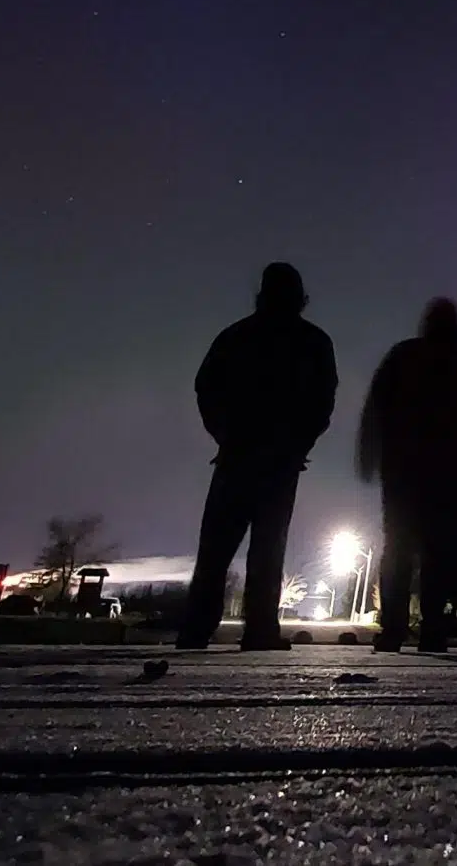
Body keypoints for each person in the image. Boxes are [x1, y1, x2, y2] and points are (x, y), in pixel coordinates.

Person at [179, 262, 338, 650]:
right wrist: (300, 443)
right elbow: (322, 402)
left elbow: (206, 387)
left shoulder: (236, 336)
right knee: (268, 548)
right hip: (279, 460)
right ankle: (259, 629)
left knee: (216, 548)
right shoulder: (313, 342)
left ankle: (198, 628)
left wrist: (225, 434)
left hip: (238, 454)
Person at [357, 297, 457, 653]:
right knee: (438, 552)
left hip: (403, 470)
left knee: (399, 549)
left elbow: (376, 409)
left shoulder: (403, 356)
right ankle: (432, 629)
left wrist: (369, 454)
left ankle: (393, 629)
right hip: (449, 475)